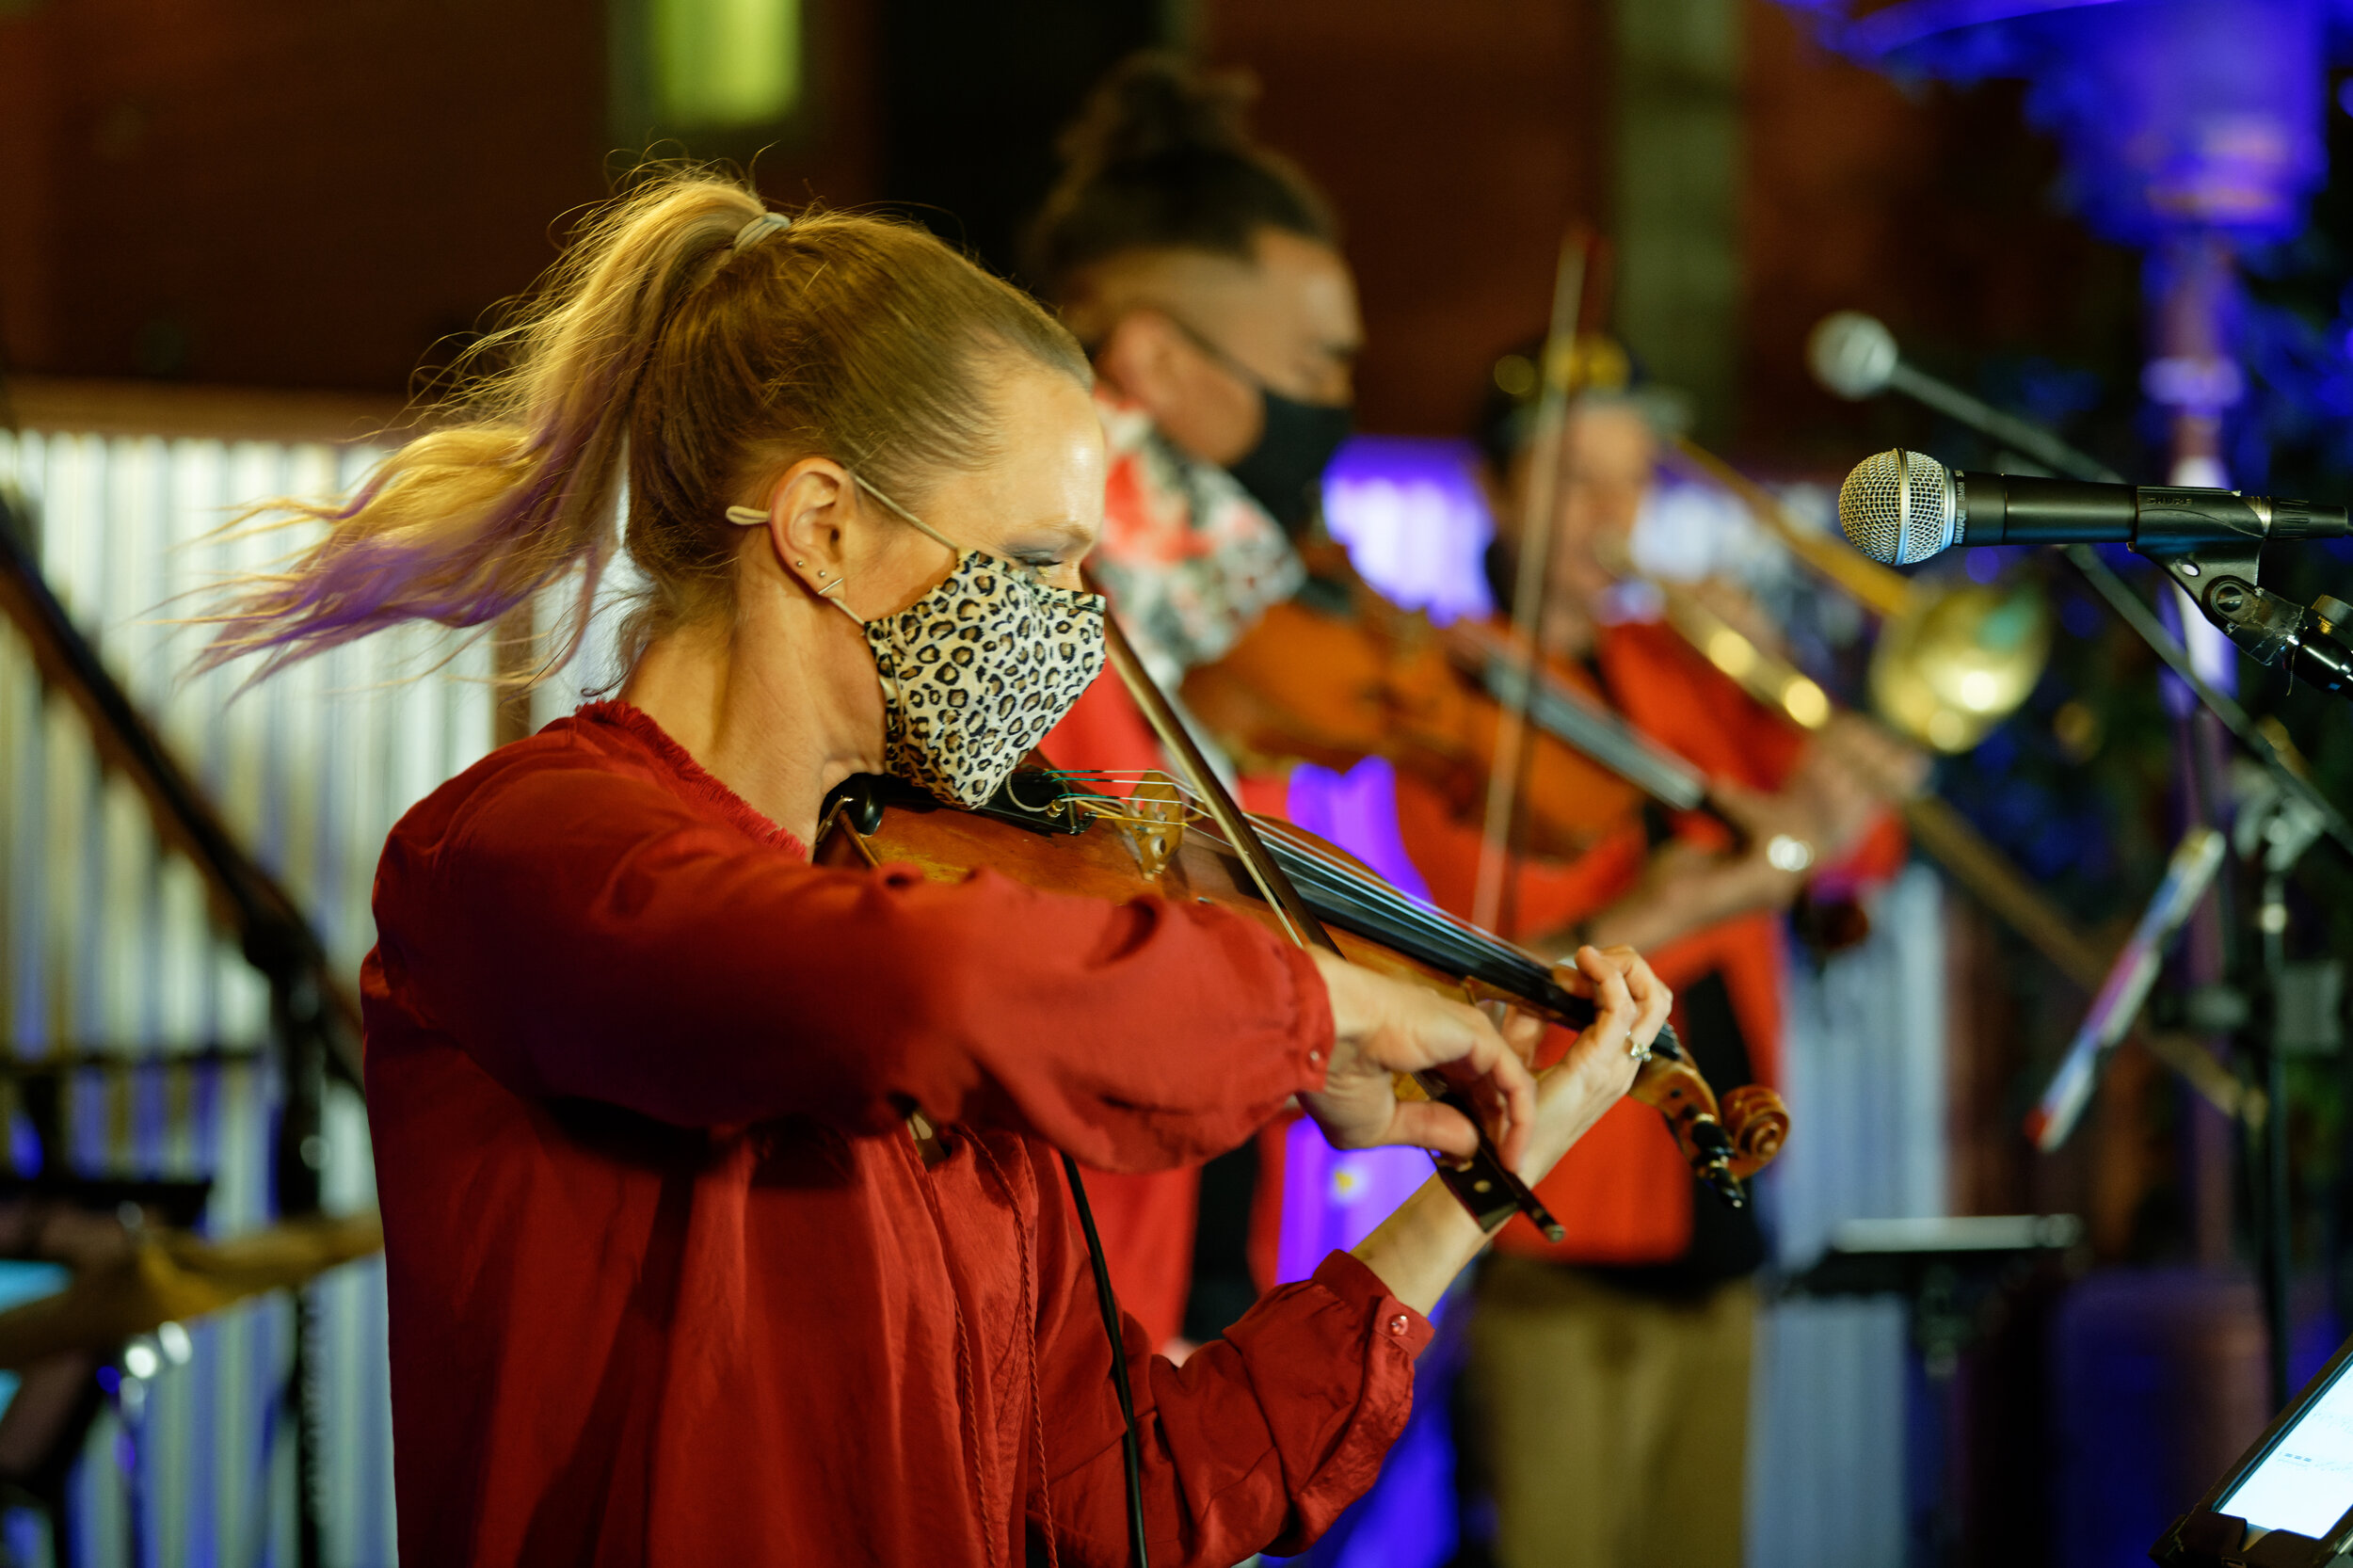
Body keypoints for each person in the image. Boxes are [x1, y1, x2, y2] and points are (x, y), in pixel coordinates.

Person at [196, 171, 1673, 1568]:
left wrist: (1467, 1199)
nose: (1072, 626)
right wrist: (1315, 1005)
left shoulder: (945, 906)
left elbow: (1112, 1503)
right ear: (825, 529)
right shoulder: (527, 858)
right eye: (1035, 559)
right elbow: (904, 987)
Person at [1419, 354, 1924, 1568]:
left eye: (1631, 482)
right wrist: (1760, 867)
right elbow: (1532, 962)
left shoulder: (1681, 660)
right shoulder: (1443, 690)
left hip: (1722, 1188)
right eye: (1572, 480)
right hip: (1564, 1217)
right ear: (1497, 493)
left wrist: (1785, 688)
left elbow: (1867, 853)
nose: (1610, 516)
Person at [1025, 52, 1367, 1353]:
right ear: (1155, 357)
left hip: (1182, 1233)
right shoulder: (1026, 597)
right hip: (1071, 1275)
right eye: (1316, 367)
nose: (1333, 408)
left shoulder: (1210, 601)